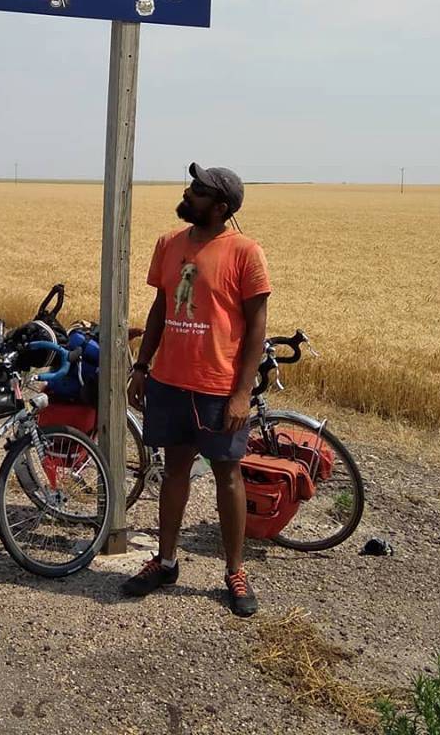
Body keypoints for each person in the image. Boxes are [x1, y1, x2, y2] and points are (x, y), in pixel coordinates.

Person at [122, 163, 271, 616]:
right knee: (174, 473)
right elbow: (161, 307)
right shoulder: (169, 243)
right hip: (169, 381)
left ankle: (234, 571)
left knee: (228, 475)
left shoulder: (246, 252)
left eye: (199, 190)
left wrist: (241, 394)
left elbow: (257, 328)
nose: (188, 193)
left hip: (218, 388)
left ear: (220, 206)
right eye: (191, 186)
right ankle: (166, 562)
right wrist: (142, 366)